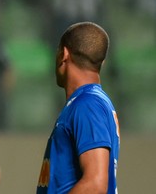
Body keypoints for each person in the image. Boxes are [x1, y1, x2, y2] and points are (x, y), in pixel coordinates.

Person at [36, 22, 120, 193]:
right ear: (102, 63)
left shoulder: (88, 105)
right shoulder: (92, 102)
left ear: (64, 54)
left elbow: (96, 184)